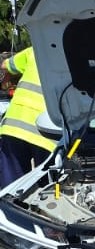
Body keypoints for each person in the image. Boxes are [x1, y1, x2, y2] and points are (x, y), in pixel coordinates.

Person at [0, 47, 57, 188]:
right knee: (47, 192)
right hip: (48, 134)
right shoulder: (81, 60)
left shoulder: (37, 49)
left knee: (10, 189)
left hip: (15, 127)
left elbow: (5, 65)